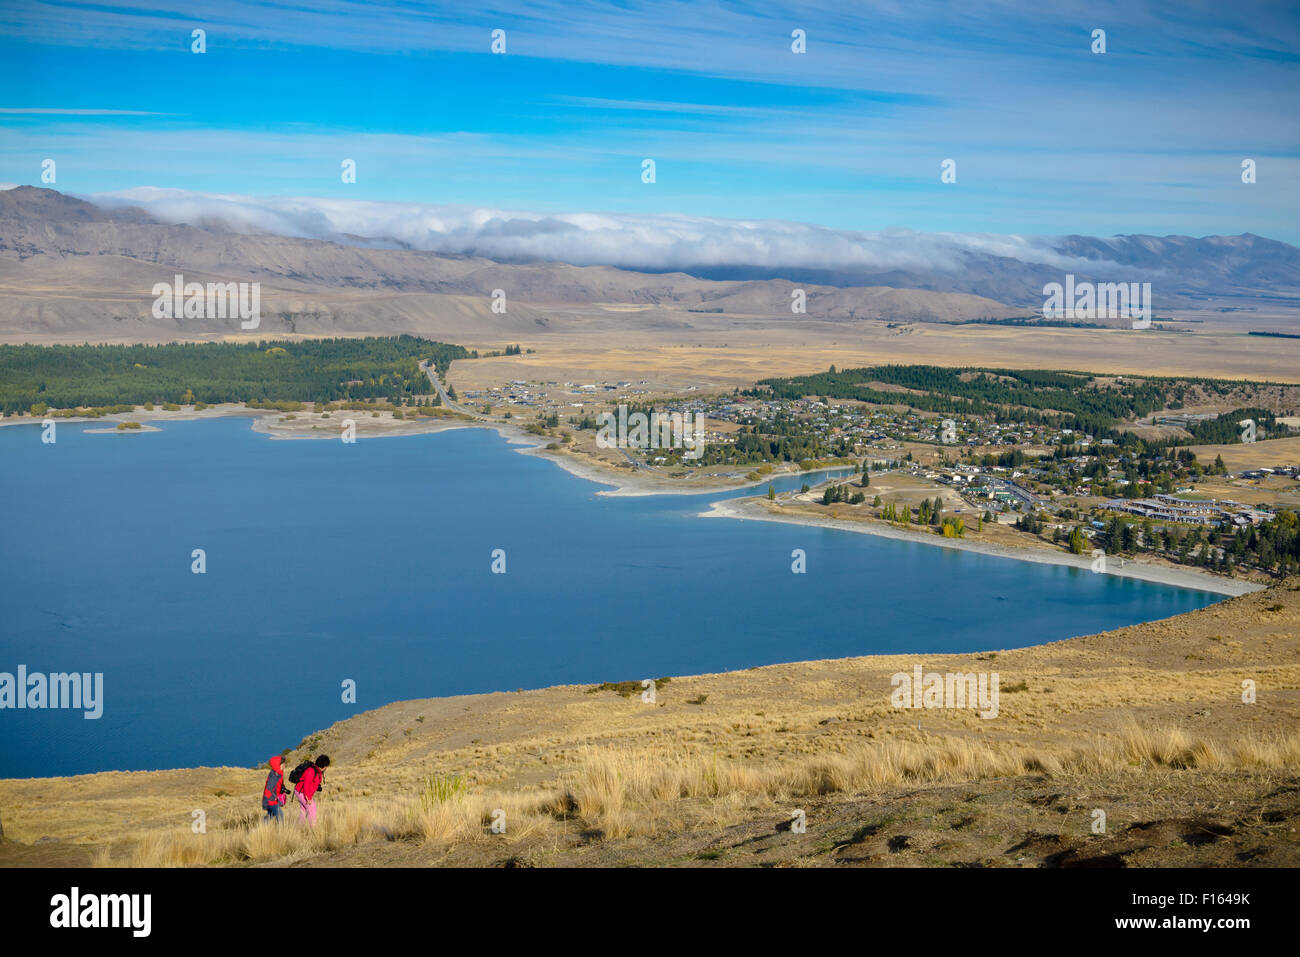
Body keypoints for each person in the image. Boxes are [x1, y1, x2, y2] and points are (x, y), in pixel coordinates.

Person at [295, 754, 330, 825]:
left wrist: (317, 787)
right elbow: (306, 784)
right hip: (301, 792)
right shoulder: (311, 770)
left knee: (304, 810)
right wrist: (308, 798)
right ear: (323, 766)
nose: (326, 768)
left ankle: (300, 828)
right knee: (312, 808)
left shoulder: (317, 771)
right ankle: (313, 829)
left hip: (303, 792)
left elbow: (312, 782)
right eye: (326, 766)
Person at [262, 754, 289, 820]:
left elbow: (277, 786)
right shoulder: (274, 776)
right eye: (282, 764)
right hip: (271, 800)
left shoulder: (277, 773)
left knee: (270, 815)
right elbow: (268, 789)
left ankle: (262, 826)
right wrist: (265, 803)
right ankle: (281, 829)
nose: (284, 765)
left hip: (273, 799)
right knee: (280, 815)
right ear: (277, 765)